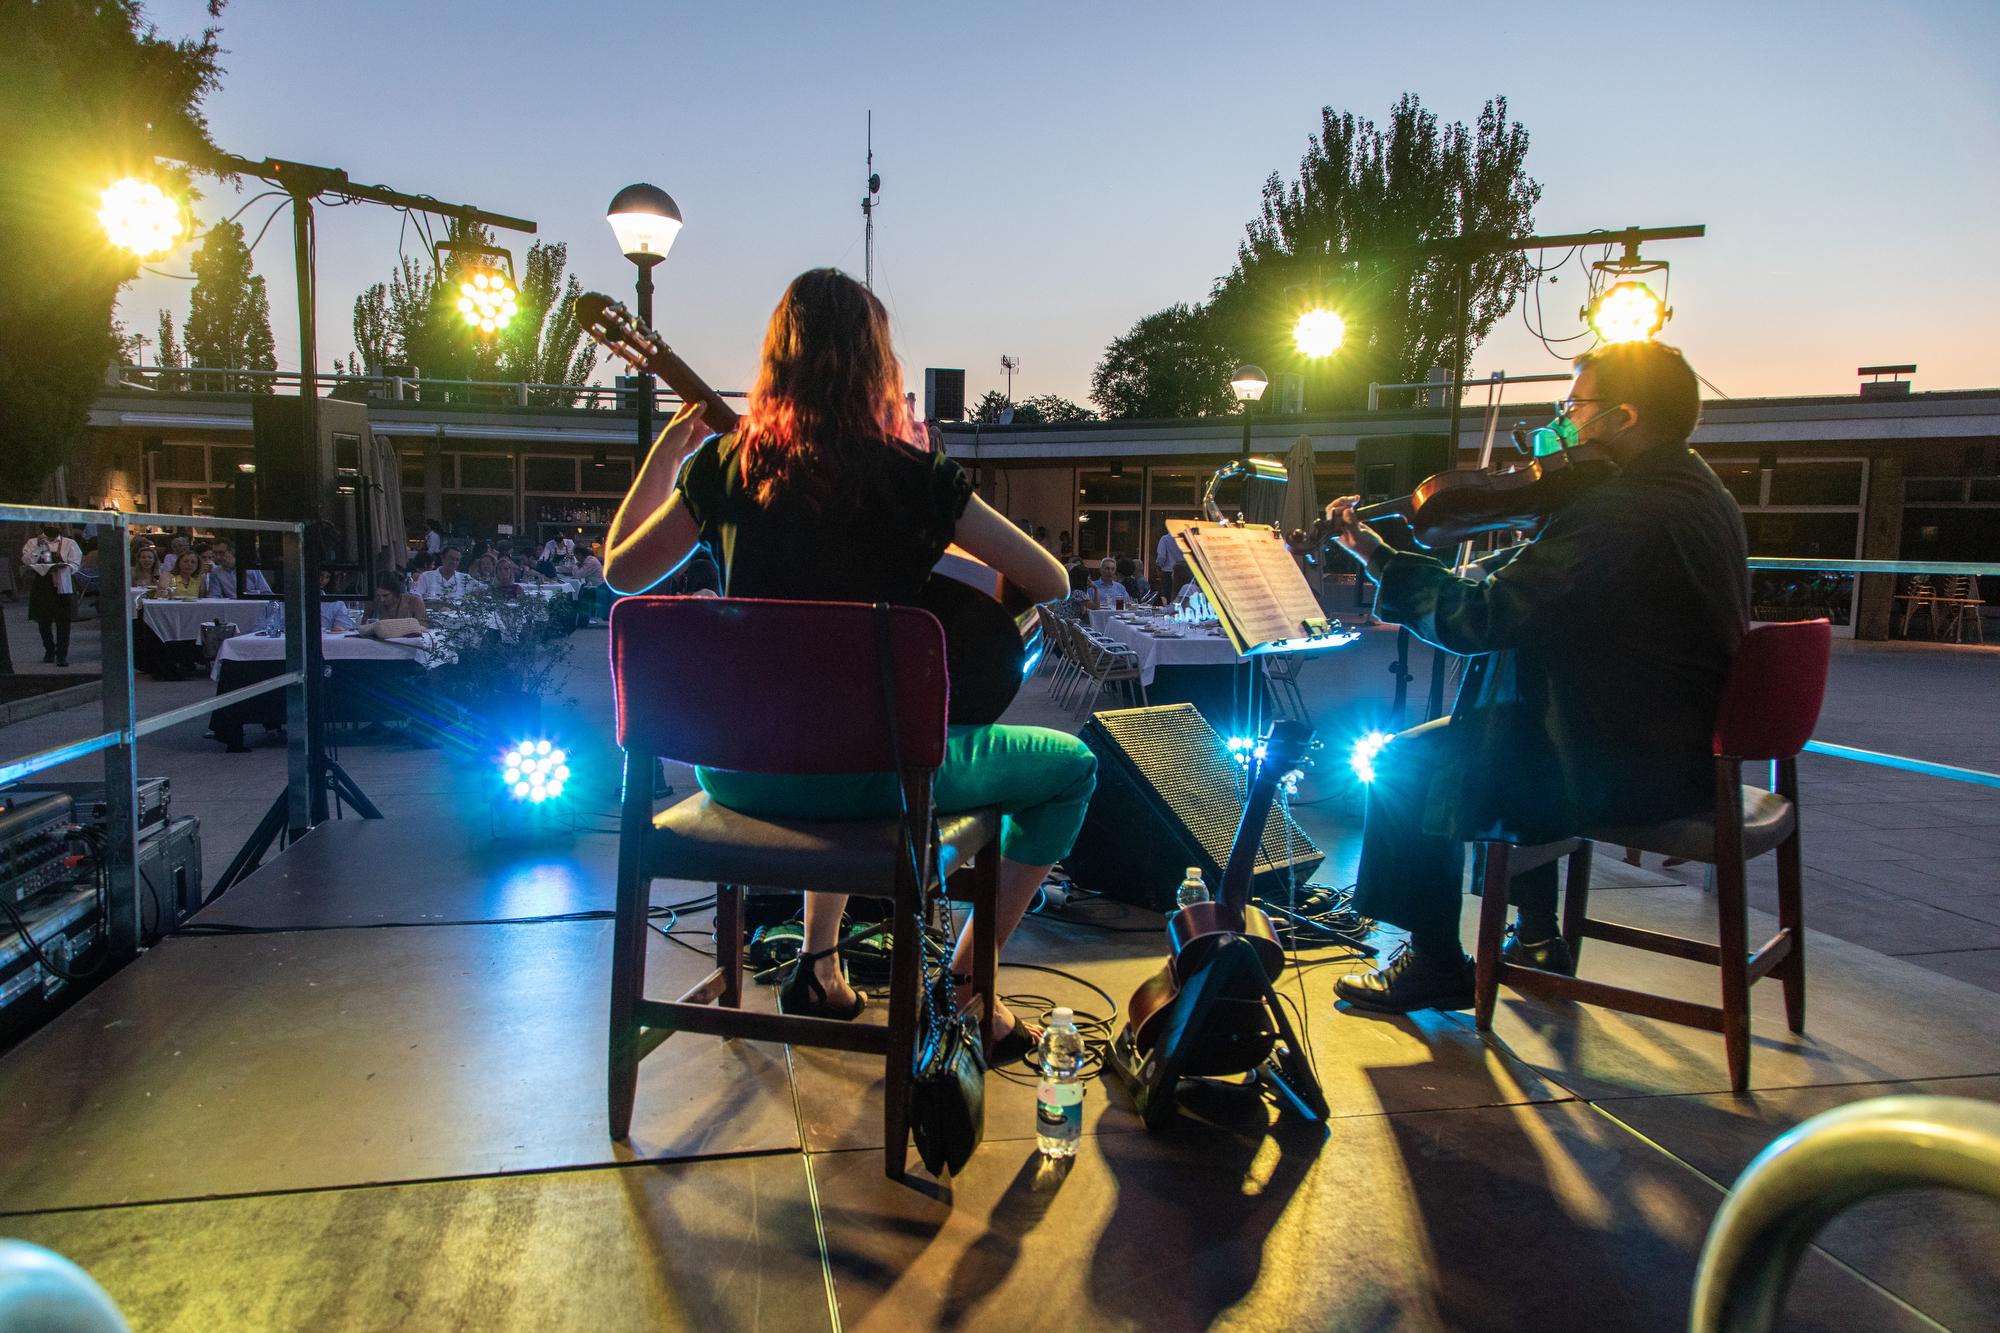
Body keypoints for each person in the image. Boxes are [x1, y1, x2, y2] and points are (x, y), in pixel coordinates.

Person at [604, 267, 1092, 1062]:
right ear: (879, 365)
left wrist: (668, 454)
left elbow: (622, 573)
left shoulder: (723, 465)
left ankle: (817, 967)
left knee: (827, 720)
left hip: (735, 771)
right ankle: (967, 988)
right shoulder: (917, 478)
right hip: (878, 770)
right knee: (1069, 771)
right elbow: (1053, 580)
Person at [1319, 340, 1749, 1013]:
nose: (1562, 420)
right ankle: (1540, 933)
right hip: (1678, 747)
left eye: (1575, 405)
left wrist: (1383, 562)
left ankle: (1434, 960)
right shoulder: (1692, 488)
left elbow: (1484, 621)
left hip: (1626, 763)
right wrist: (1465, 568)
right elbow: (1548, 575)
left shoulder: (1623, 511)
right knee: (1513, 714)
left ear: (1625, 416)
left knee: (1404, 761)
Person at [21, 525, 83, 667]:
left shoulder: (69, 543)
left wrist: (65, 567)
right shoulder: (33, 542)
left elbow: (76, 563)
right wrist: (39, 547)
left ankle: (62, 654)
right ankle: (49, 649)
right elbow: (27, 560)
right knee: (43, 619)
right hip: (42, 583)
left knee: (63, 620)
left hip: (63, 582)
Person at [205, 539, 272, 598]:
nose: (218, 557)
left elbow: (266, 592)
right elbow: (214, 595)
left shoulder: (249, 569)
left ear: (232, 551)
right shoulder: (216, 572)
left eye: (221, 553)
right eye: (215, 553)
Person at [414, 546, 482, 601]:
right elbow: (416, 596)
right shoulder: (426, 576)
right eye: (451, 559)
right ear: (443, 558)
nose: (454, 562)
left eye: (457, 560)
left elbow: (485, 589)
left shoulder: (465, 578)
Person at [1154, 525, 1185, 598]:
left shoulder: (1165, 539)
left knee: (1168, 595)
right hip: (1182, 571)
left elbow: (1161, 556)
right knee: (1180, 595)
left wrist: (1158, 566)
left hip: (1168, 572)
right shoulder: (1183, 539)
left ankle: (1169, 608)